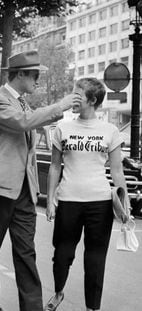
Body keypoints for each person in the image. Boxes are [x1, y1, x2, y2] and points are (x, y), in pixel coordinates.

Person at [0, 50, 79, 311]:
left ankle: (31, 307)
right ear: (20, 74)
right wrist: (60, 106)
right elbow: (23, 123)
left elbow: (30, 130)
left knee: (26, 254)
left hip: (24, 193)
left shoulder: (24, 103)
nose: (37, 80)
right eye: (35, 75)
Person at [44, 78, 130, 311]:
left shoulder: (110, 131)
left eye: (77, 94)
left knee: (95, 258)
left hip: (99, 204)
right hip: (68, 200)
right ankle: (59, 291)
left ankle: (93, 307)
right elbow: (54, 166)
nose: (73, 98)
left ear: (92, 100)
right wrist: (51, 200)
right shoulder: (63, 128)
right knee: (62, 254)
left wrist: (125, 203)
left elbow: (117, 170)